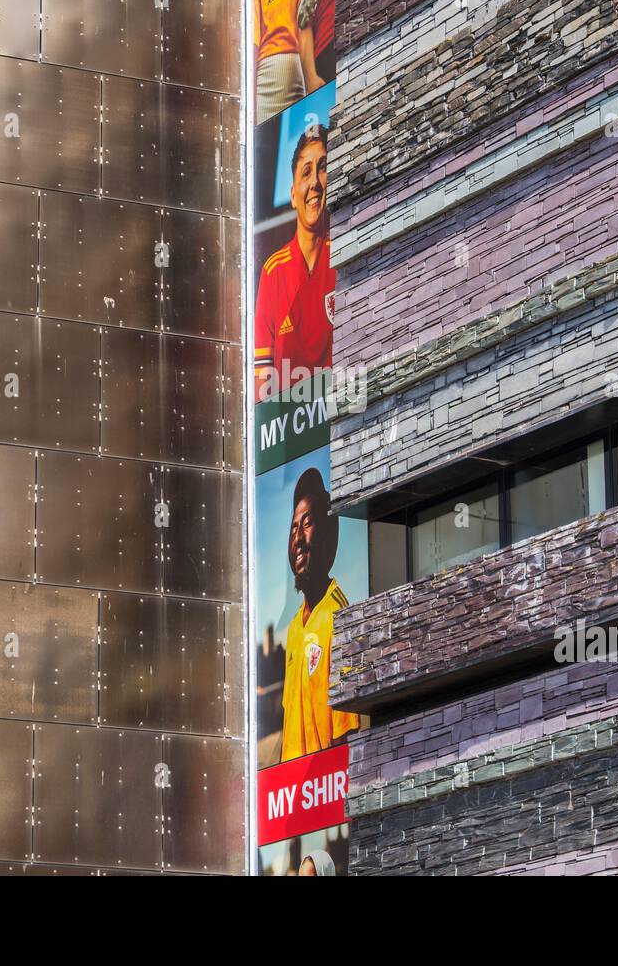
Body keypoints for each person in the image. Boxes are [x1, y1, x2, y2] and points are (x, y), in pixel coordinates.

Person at [280, 468, 359, 762]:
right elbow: (289, 724)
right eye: (293, 528)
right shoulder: (292, 630)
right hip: (293, 797)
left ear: (327, 533)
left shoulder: (339, 617)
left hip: (324, 795)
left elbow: (347, 731)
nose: (298, 538)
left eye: (308, 524)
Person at [254, 125, 333, 402]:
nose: (314, 183)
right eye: (306, 172)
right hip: (291, 434)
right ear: (292, 193)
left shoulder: (342, 255)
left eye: (322, 168)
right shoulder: (273, 272)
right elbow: (261, 381)